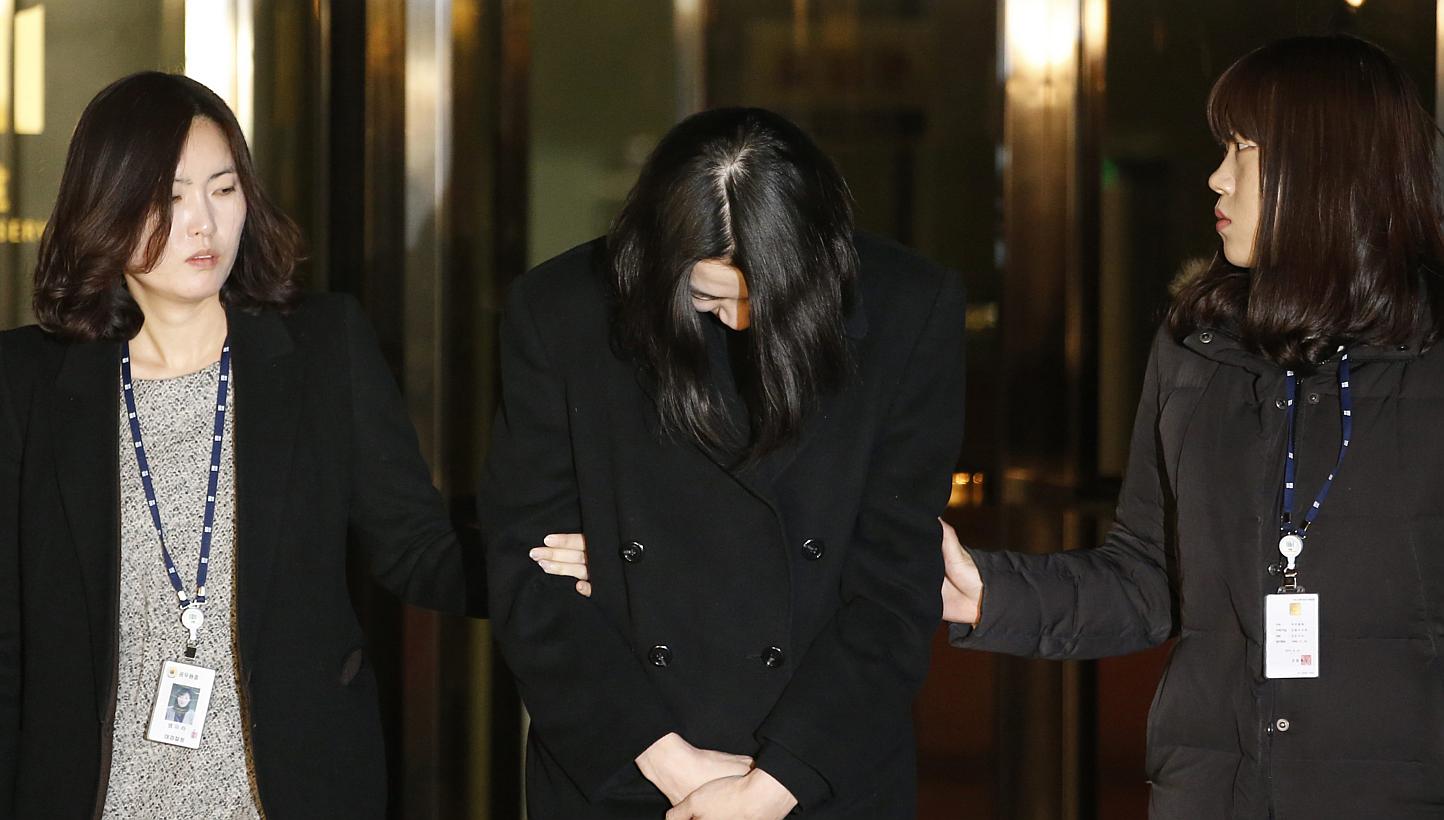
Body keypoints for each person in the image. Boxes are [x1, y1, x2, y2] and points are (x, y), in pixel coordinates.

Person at [942, 35, 1444, 818]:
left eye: (1244, 149)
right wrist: (985, 593)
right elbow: (1148, 578)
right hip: (1215, 794)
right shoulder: (1196, 346)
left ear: (1327, 168)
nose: (1217, 175)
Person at [0, 71, 496, 819]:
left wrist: (544, 565)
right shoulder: (26, 383)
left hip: (285, 789)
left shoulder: (323, 348)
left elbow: (417, 549)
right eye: (169, 196)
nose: (203, 223)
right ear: (105, 205)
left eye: (224, 189)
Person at [480, 107, 966, 818]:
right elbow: (527, 576)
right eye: (708, 294)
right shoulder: (561, 312)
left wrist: (772, 788)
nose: (740, 318)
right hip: (622, 762)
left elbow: (893, 584)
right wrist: (669, 765)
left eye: (768, 295)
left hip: (823, 762)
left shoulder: (909, 310)